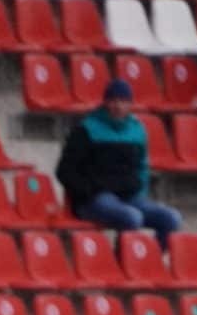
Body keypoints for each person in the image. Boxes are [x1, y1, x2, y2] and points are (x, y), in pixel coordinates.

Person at [58, 79, 181, 245]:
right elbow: (65, 170)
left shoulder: (137, 130)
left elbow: (142, 167)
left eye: (123, 101)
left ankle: (152, 264)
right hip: (94, 199)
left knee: (171, 218)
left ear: (130, 104)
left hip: (129, 196)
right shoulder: (86, 129)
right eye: (113, 101)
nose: (118, 106)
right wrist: (87, 191)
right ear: (106, 102)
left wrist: (138, 190)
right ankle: (122, 267)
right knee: (131, 217)